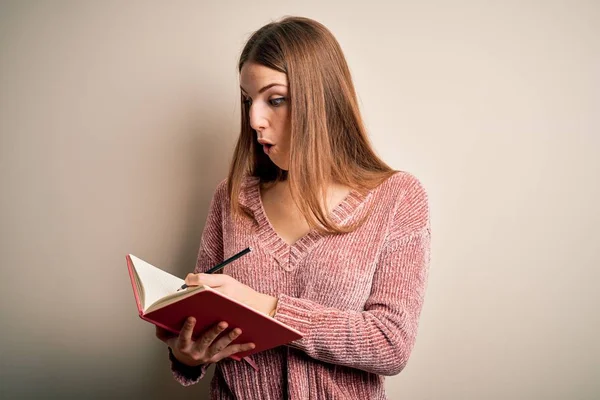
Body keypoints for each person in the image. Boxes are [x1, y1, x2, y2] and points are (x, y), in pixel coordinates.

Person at [155, 16, 431, 399]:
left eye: (276, 99)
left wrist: (265, 307)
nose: (254, 119)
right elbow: (202, 317)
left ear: (322, 98)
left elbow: (390, 343)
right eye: (248, 101)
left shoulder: (398, 197)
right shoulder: (230, 198)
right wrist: (188, 354)